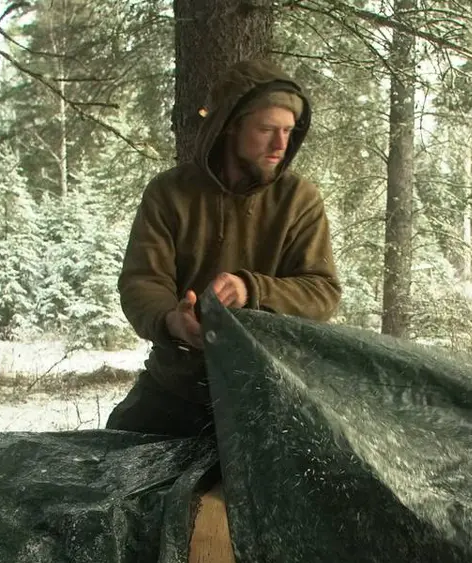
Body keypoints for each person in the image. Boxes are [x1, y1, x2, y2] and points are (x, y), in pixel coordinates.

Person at [106, 59, 342, 436]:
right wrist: (173, 322)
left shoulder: (299, 200)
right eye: (266, 129)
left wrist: (251, 289)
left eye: (288, 131)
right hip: (178, 383)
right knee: (116, 458)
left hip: (270, 389)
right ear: (230, 125)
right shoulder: (169, 193)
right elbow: (142, 282)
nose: (280, 145)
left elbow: (322, 291)